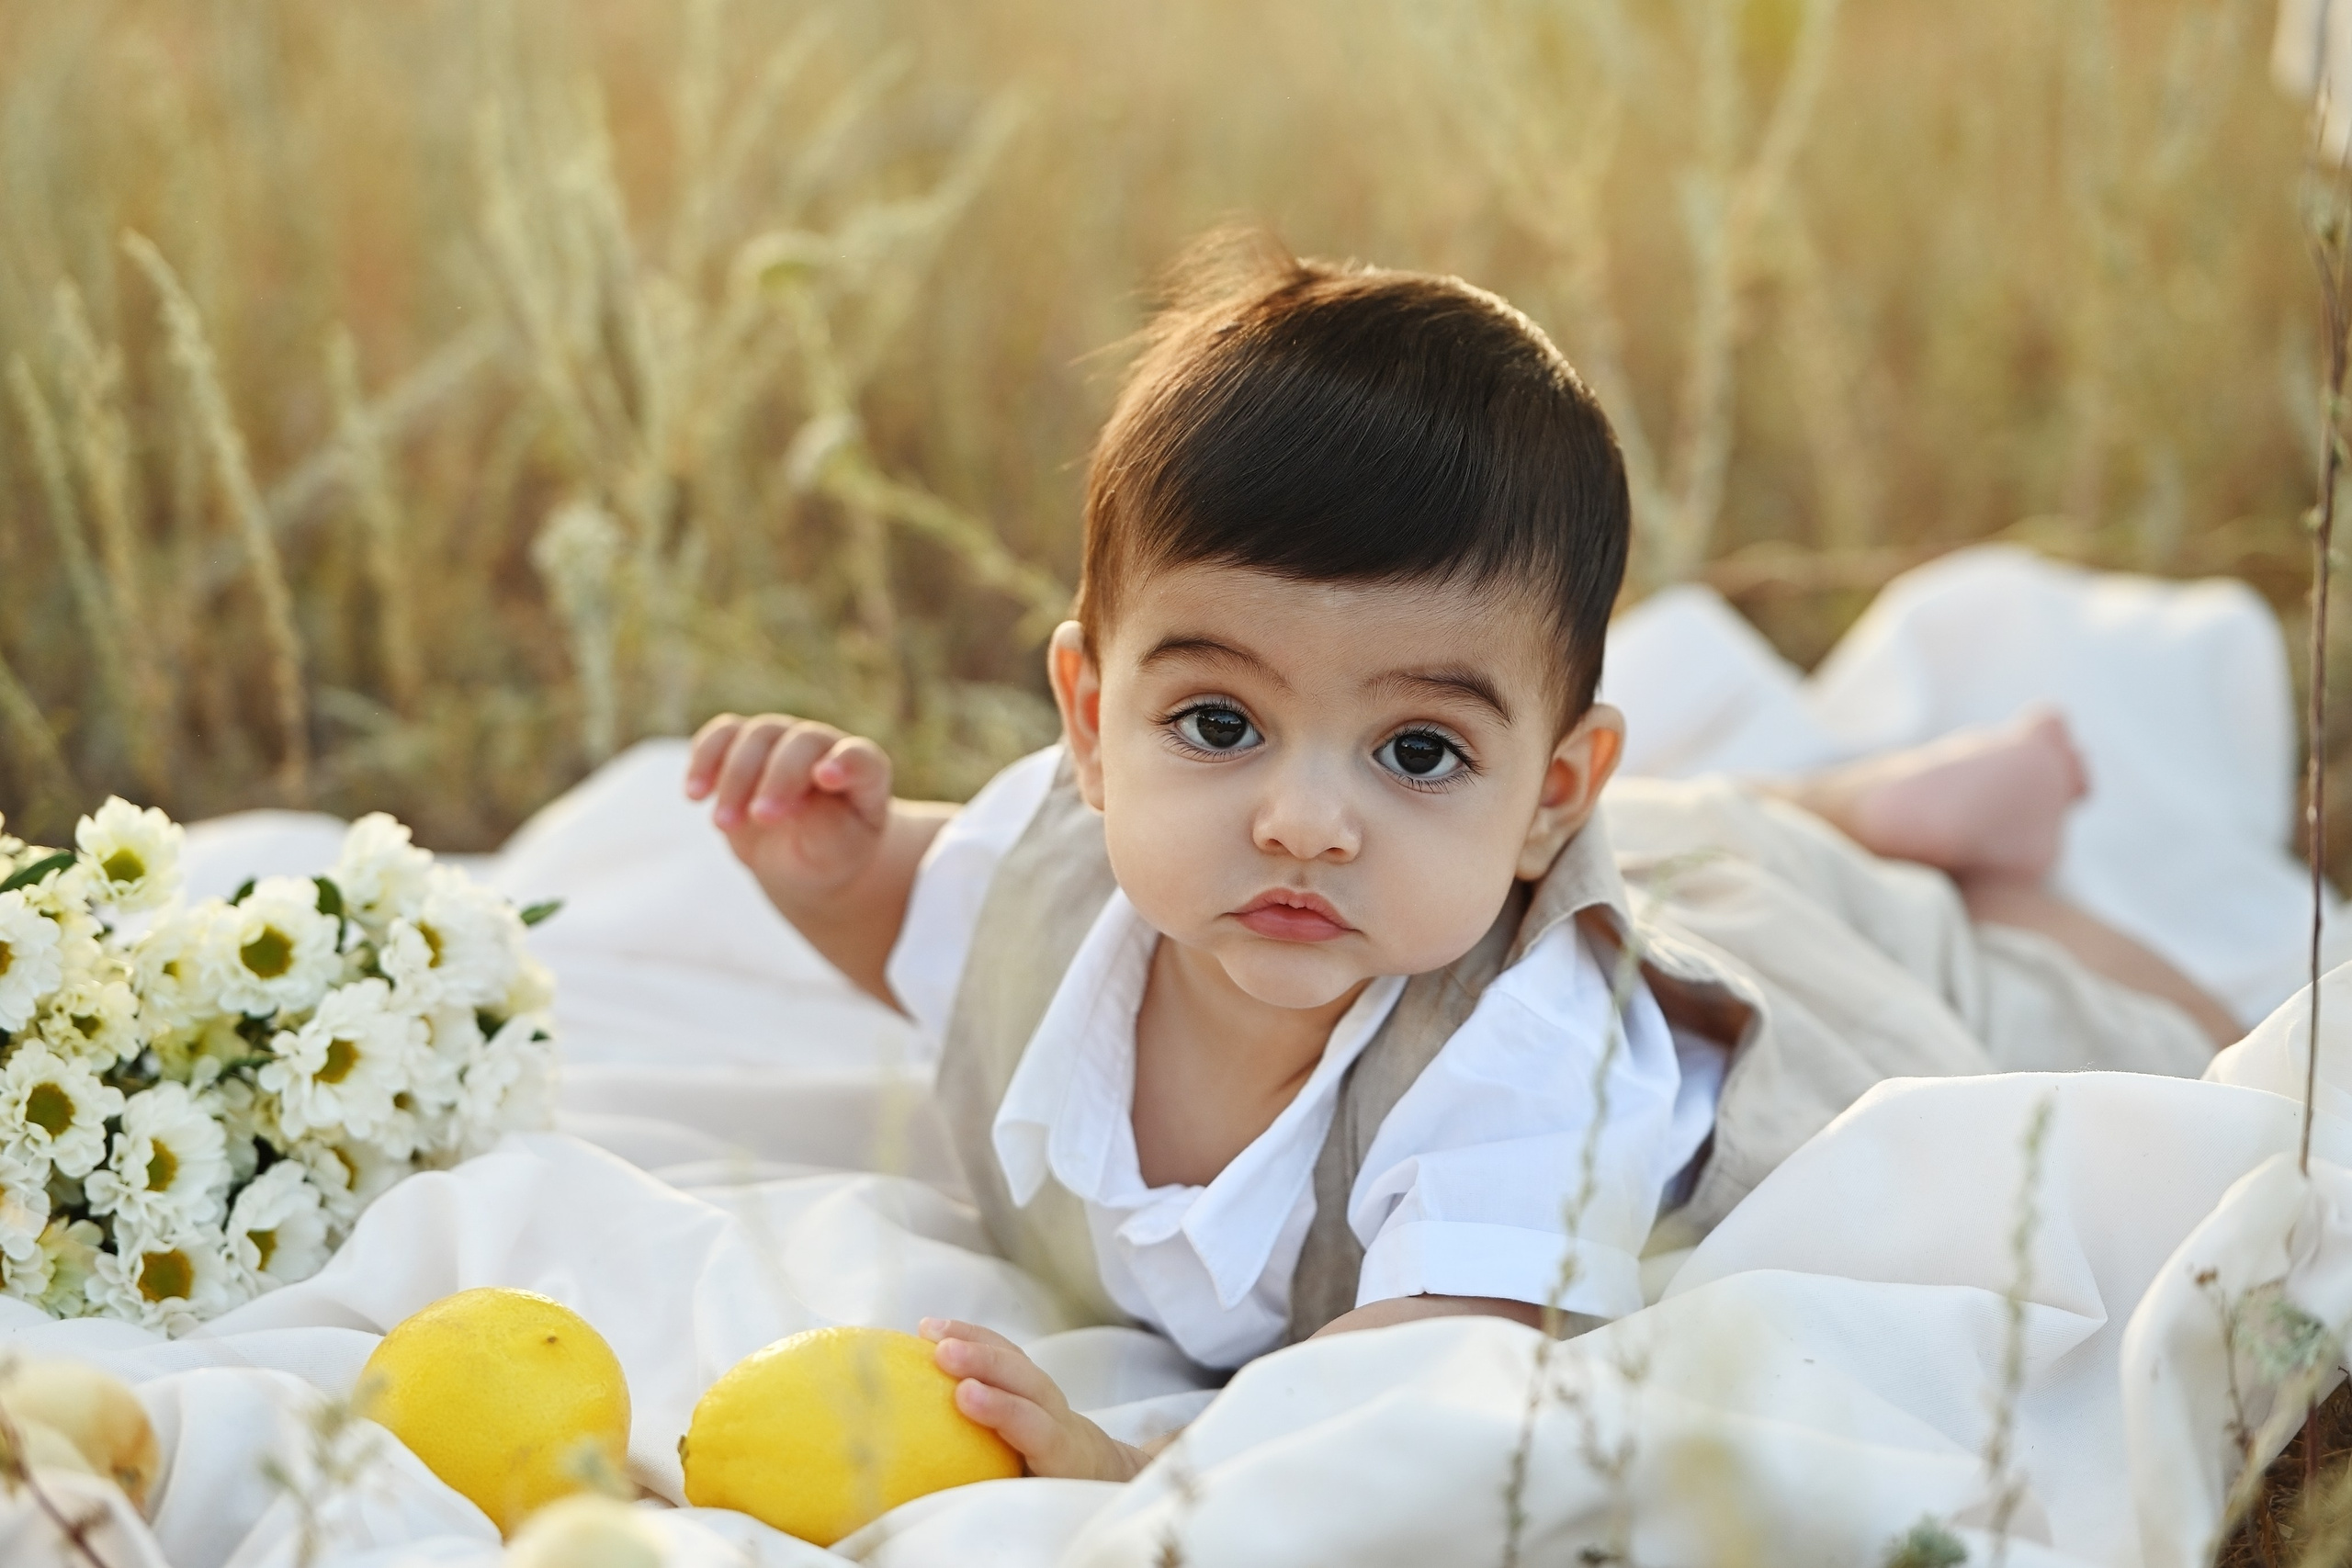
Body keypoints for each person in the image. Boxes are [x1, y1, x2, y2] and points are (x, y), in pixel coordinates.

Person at [681, 234, 2233, 1482]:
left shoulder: (1521, 1066)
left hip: (1754, 980)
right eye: (1218, 721)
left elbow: (1425, 1370)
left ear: (1555, 790)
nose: (1302, 817)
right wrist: (822, 869)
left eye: (1416, 748)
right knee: (1693, 841)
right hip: (1537, 872)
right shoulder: (1056, 873)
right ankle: (1877, 798)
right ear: (1091, 721)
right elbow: (928, 919)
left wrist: (1141, 1459)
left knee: (2010, 982)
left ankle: (1932, 850)